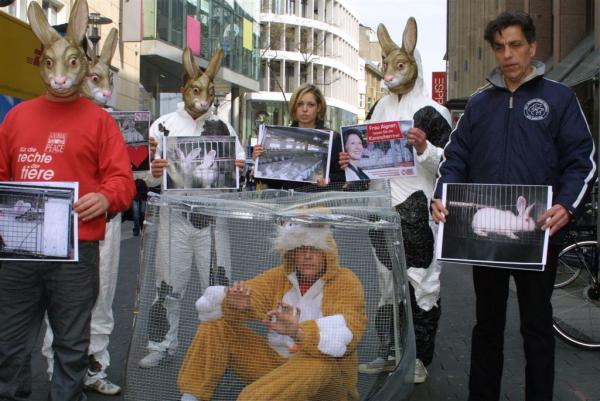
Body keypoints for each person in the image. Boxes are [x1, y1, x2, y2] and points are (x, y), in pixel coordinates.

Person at [431, 11, 596, 401]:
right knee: (486, 326)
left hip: (537, 234)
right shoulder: (479, 104)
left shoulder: (559, 98)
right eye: (500, 47)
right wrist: (443, 193)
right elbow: (455, 158)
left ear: (532, 47)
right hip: (486, 238)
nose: (508, 54)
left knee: (536, 328)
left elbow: (582, 160)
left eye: (516, 45)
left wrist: (567, 207)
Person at [0, 2, 135, 400]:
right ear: (40, 64)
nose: (60, 75)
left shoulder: (100, 121)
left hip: (76, 254)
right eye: (51, 64)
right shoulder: (16, 117)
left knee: (72, 346)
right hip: (19, 253)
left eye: (71, 63)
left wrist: (105, 197)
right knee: (9, 343)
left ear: (82, 64)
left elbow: (122, 182)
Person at [138, 47, 246, 369]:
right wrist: (153, 172)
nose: (204, 99)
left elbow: (237, 174)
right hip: (174, 218)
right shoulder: (163, 126)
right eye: (197, 91)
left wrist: (238, 168)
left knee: (217, 285)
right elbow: (146, 176)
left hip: (213, 220)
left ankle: (220, 348)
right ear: (185, 89)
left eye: (210, 93)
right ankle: (162, 344)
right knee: (167, 285)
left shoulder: (222, 128)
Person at [177, 221, 367, 401]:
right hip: (276, 369)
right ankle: (190, 397)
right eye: (301, 249)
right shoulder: (279, 276)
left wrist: (299, 332)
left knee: (321, 361)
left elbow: (350, 330)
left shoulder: (345, 281)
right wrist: (237, 301)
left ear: (327, 253)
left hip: (324, 382)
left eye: (315, 250)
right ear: (291, 253)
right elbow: (255, 292)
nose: (308, 256)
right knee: (216, 325)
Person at [358, 19, 451, 384]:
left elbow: (450, 164)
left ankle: (419, 357)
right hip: (380, 212)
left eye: (399, 66)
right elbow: (362, 151)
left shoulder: (432, 112)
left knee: (422, 285)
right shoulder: (378, 109)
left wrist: (424, 148)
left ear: (413, 64)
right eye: (387, 66)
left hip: (417, 212)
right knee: (385, 287)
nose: (390, 74)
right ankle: (389, 350)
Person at [40, 25, 124, 396]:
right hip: (64, 225)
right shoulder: (55, 116)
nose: (100, 86)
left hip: (107, 223)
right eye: (93, 77)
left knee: (102, 297)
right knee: (57, 300)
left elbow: (128, 178)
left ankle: (94, 366)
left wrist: (152, 165)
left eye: (105, 79)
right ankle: (54, 367)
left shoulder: (113, 121)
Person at [251, 84, 348, 189]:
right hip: (288, 202)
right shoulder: (277, 134)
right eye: (300, 104)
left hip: (320, 203)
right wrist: (257, 163)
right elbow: (271, 182)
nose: (305, 109)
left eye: (311, 104)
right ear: (294, 107)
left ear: (319, 107)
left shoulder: (334, 138)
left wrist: (328, 179)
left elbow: (342, 177)